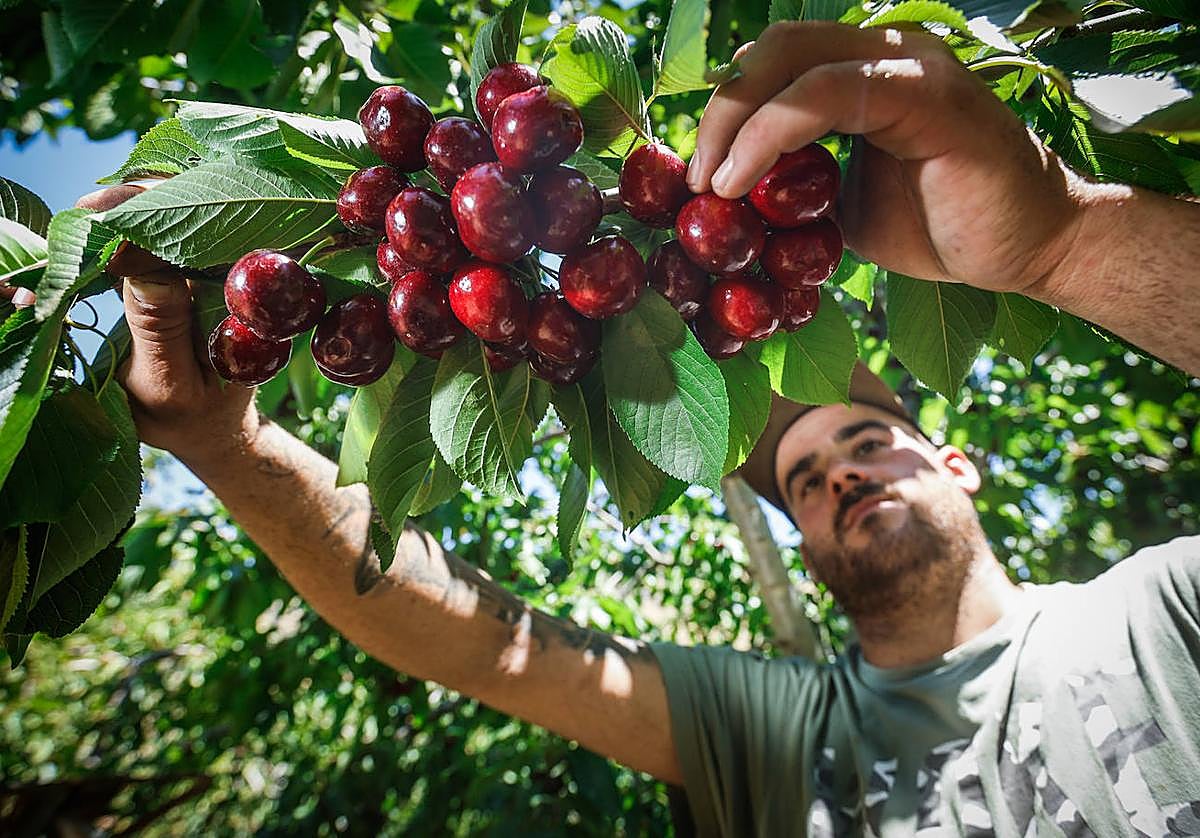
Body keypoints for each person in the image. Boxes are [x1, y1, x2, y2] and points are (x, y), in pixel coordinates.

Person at [66, 21, 1200, 837]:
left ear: (958, 461)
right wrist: (230, 448)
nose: (843, 478)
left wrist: (1066, 245)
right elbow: (478, 644)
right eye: (803, 481)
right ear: (798, 550)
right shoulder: (787, 741)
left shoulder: (1164, 617)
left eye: (864, 444)